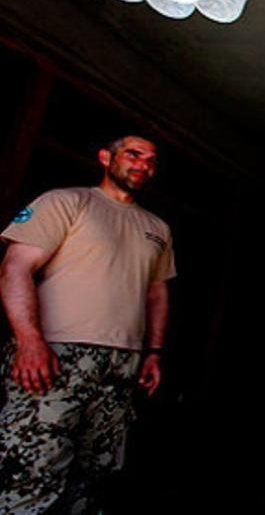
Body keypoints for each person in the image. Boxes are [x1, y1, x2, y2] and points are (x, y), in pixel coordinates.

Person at [0, 135, 175, 513]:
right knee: (32, 463)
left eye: (151, 160)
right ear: (105, 157)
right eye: (134, 154)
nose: (144, 165)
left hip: (123, 360)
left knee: (97, 470)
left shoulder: (157, 227)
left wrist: (154, 352)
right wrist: (29, 341)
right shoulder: (67, 201)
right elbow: (15, 268)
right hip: (57, 352)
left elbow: (156, 293)